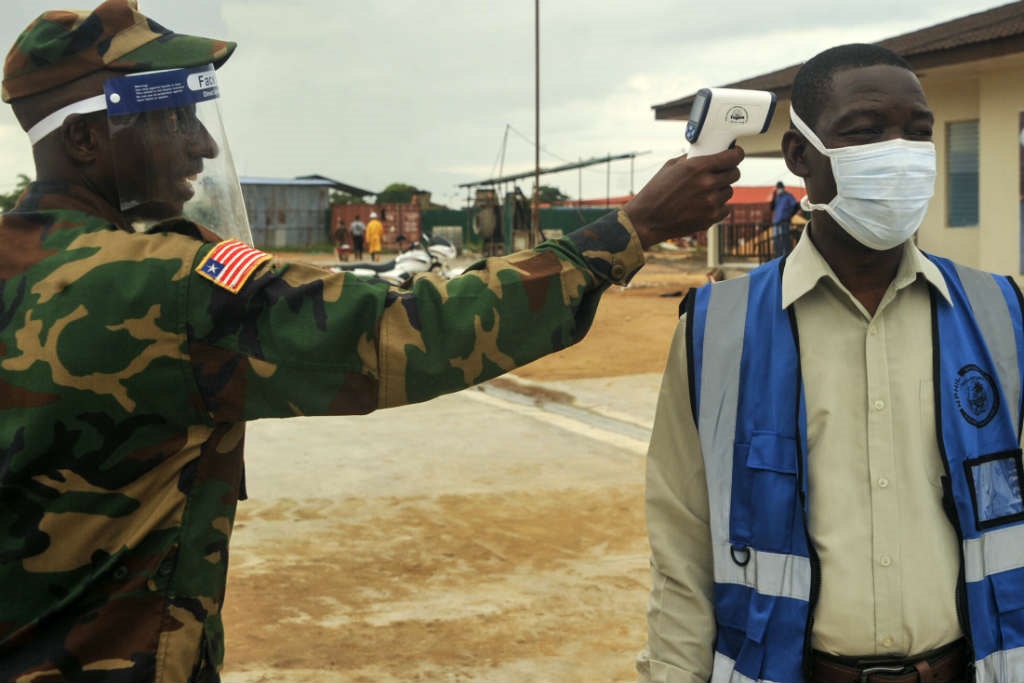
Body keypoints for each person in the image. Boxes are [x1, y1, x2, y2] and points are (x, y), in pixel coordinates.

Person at [0, 1, 743, 681]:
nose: (197, 145)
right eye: (172, 120)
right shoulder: (165, 286)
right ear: (89, 137)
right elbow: (406, 330)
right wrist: (627, 232)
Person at [639, 43, 1024, 683]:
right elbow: (682, 550)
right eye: (867, 132)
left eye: (918, 134)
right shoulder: (716, 329)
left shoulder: (1001, 313)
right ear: (800, 156)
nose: (900, 153)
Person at [769, 180, 798, 257]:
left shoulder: (788, 196)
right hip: (776, 222)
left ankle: (786, 256)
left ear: (783, 188)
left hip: (784, 221)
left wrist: (789, 216)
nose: (779, 189)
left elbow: (796, 206)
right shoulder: (777, 197)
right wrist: (773, 196)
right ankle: (778, 256)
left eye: (780, 188)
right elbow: (772, 208)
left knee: (784, 239)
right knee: (776, 240)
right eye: (778, 188)